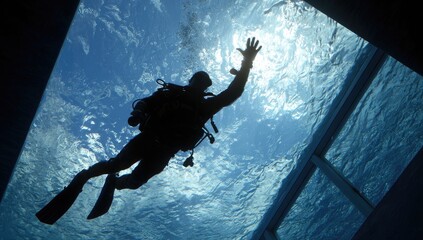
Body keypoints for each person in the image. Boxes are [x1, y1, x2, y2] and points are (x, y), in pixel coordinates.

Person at [36, 37, 262, 224]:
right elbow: (144, 103)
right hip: (147, 139)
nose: (201, 85)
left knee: (135, 182)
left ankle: (115, 182)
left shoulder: (205, 108)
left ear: (206, 87)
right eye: (199, 80)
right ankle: (84, 177)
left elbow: (233, 92)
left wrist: (247, 64)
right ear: (191, 80)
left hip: (165, 152)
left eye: (205, 83)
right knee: (116, 164)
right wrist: (137, 114)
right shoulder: (169, 94)